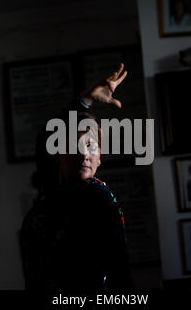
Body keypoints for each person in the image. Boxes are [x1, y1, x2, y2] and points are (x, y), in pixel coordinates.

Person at [20, 64, 134, 293]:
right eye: (75, 145)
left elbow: (117, 267)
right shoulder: (54, 191)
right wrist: (86, 99)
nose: (84, 153)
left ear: (100, 157)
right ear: (58, 152)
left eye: (91, 146)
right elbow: (45, 138)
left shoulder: (97, 194)